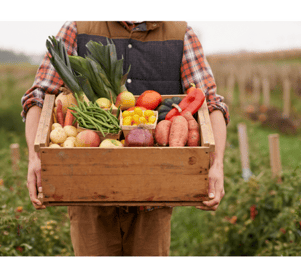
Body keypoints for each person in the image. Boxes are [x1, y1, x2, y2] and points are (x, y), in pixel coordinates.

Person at [21, 21, 230, 256]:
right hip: (89, 195)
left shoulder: (181, 34)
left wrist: (217, 164)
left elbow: (211, 104)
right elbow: (39, 97)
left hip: (155, 196)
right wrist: (35, 157)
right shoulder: (77, 29)